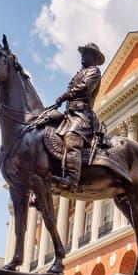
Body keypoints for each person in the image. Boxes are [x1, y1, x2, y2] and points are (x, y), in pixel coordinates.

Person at [53, 43, 105, 190]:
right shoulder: (80, 72)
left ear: (94, 57)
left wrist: (64, 96)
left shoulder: (94, 71)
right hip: (70, 112)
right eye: (82, 53)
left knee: (71, 139)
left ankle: (72, 180)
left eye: (86, 53)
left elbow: (84, 88)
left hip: (82, 114)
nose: (82, 56)